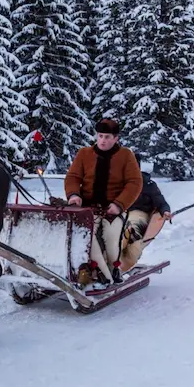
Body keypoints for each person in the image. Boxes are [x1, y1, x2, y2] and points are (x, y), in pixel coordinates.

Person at [65, 118, 143, 285]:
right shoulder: (84, 154)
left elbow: (134, 182)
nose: (102, 140)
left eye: (107, 137)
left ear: (116, 138)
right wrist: (73, 195)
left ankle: (114, 267)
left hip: (112, 209)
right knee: (85, 238)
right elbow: (73, 177)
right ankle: (104, 275)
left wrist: (118, 204)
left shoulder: (126, 155)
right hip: (87, 209)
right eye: (100, 136)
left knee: (111, 238)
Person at [119, 171, 172, 273]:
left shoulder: (148, 185)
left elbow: (160, 202)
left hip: (139, 213)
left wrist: (165, 211)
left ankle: (122, 265)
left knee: (130, 230)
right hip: (119, 212)